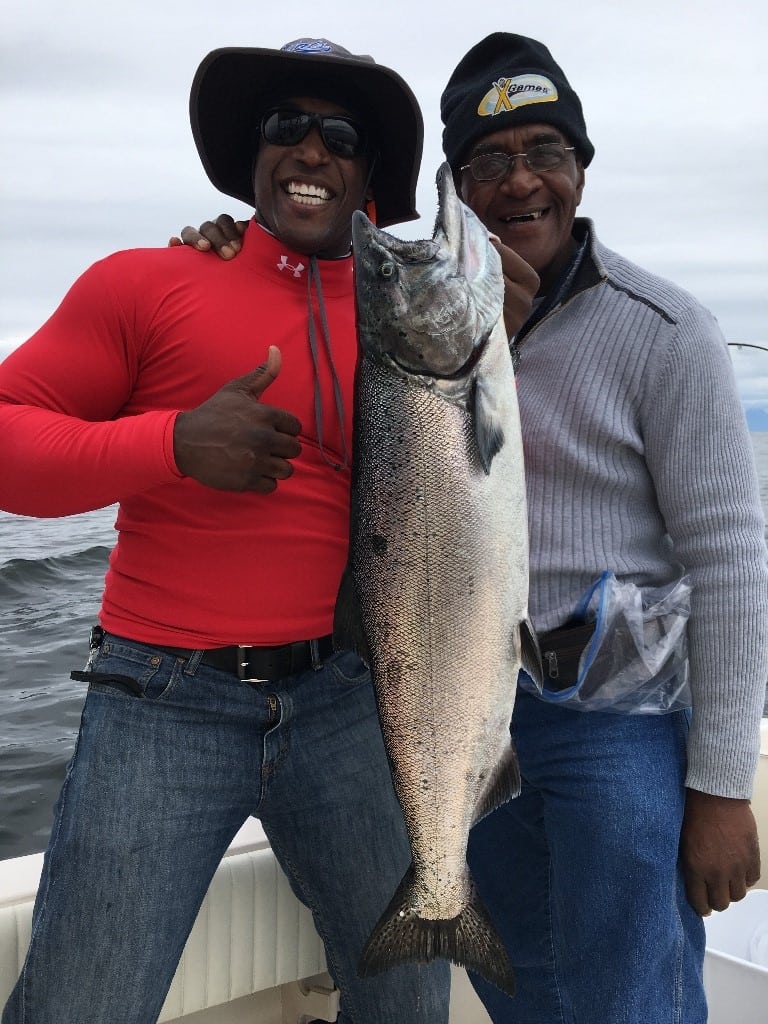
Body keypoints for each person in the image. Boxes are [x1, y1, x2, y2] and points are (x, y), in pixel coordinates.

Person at [175, 33, 768, 1024]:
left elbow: (733, 563)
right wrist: (226, 244)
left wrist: (721, 785)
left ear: (582, 169)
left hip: (616, 720)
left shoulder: (668, 329)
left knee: (633, 998)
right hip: (453, 719)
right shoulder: (398, 330)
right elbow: (285, 311)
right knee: (524, 989)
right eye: (488, 162)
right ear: (458, 185)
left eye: (547, 152)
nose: (522, 181)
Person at [0, 36, 539, 1024]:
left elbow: (475, 471)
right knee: (82, 1003)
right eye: (286, 126)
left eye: (340, 135)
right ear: (252, 151)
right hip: (160, 700)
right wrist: (169, 442)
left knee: (410, 1001)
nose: (311, 150)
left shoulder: (410, 299)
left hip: (350, 695)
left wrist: (513, 325)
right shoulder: (146, 282)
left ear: (370, 172)